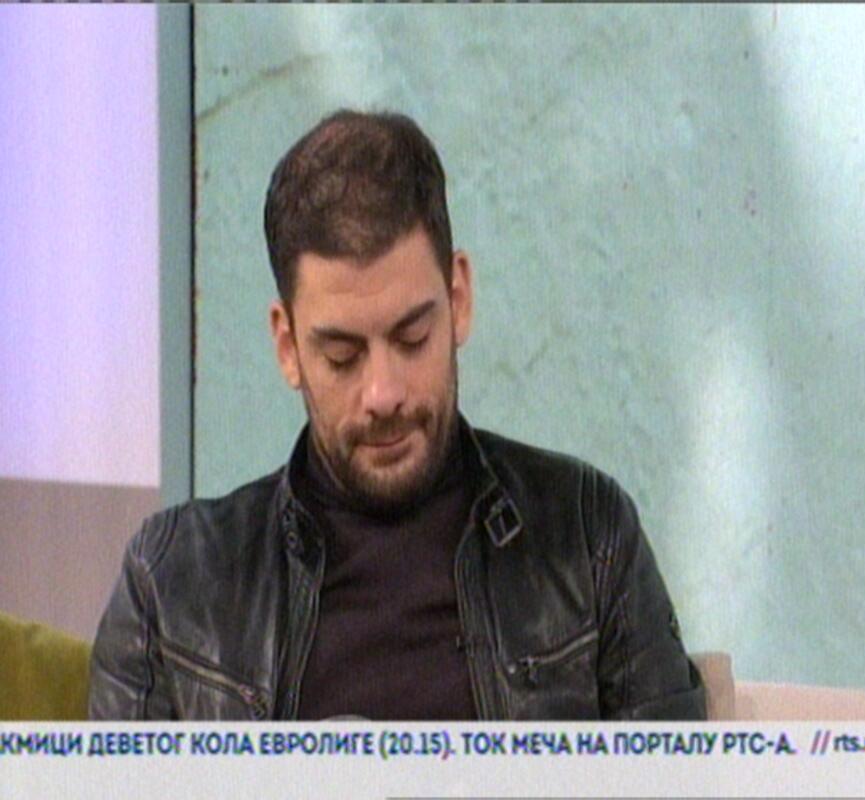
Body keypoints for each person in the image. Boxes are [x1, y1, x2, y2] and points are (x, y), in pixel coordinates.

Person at [89, 110, 705, 721]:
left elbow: (678, 774)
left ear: (458, 300)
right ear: (288, 346)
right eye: (342, 356)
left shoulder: (587, 536)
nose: (383, 393)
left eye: (412, 339)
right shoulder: (172, 583)